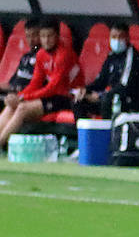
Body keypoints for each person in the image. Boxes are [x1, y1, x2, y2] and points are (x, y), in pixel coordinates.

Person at [0, 18, 81, 152]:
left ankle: (2, 143)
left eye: (50, 36)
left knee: (22, 109)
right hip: (51, 96)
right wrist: (20, 96)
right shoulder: (42, 54)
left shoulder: (64, 55)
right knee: (11, 106)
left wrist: (23, 98)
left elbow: (54, 87)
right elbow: (35, 83)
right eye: (43, 36)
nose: (46, 40)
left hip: (68, 97)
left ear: (57, 36)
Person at [73, 21, 139, 120]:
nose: (117, 40)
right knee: (78, 100)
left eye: (120, 37)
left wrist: (101, 96)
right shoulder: (111, 56)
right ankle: (83, 134)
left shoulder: (133, 57)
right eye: (114, 37)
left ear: (127, 38)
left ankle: (109, 134)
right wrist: (85, 90)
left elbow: (124, 86)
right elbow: (101, 81)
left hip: (138, 102)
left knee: (108, 100)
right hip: (117, 98)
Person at [0, 17, 41, 99]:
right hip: (13, 92)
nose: (31, 40)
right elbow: (12, 82)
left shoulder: (45, 57)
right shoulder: (26, 57)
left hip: (27, 95)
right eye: (28, 36)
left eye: (34, 36)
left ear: (41, 35)